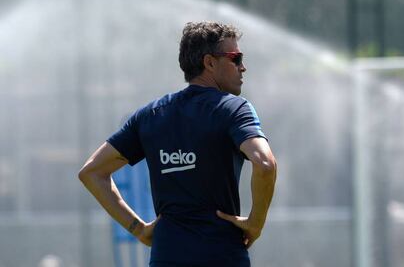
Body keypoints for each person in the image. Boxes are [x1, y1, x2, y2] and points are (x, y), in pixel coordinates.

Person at [78, 21, 277, 267]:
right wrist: (256, 223)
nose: (243, 67)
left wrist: (138, 229)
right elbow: (265, 163)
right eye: (236, 58)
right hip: (223, 256)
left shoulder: (151, 115)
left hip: (166, 256)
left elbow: (92, 172)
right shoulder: (234, 108)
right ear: (210, 63)